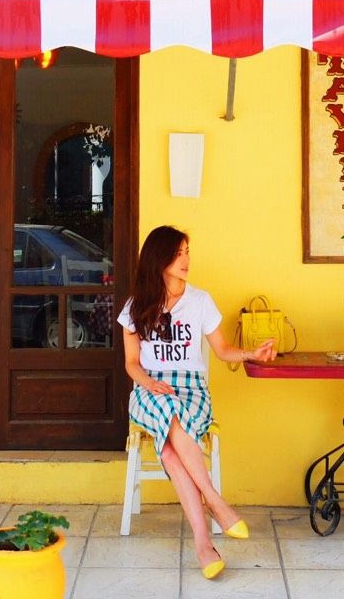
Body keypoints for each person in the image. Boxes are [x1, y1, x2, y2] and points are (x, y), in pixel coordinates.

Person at [118, 225, 276, 580]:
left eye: (187, 251)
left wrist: (252, 353)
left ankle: (204, 545)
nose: (186, 259)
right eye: (178, 253)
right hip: (149, 390)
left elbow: (222, 350)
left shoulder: (200, 301)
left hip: (192, 391)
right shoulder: (135, 306)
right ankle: (215, 502)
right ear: (159, 258)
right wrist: (151, 384)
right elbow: (131, 364)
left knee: (169, 452)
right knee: (167, 408)